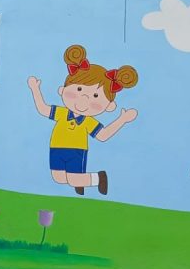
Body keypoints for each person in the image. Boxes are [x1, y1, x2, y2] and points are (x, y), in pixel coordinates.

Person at [27, 44, 139, 196]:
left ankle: (98, 178)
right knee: (58, 178)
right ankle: (80, 183)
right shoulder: (61, 113)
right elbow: (43, 109)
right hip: (56, 147)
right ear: (62, 90)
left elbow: (103, 135)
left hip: (76, 150)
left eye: (95, 96)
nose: (84, 98)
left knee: (73, 179)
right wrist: (35, 89)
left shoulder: (88, 121)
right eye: (79, 89)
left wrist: (122, 119)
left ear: (109, 106)